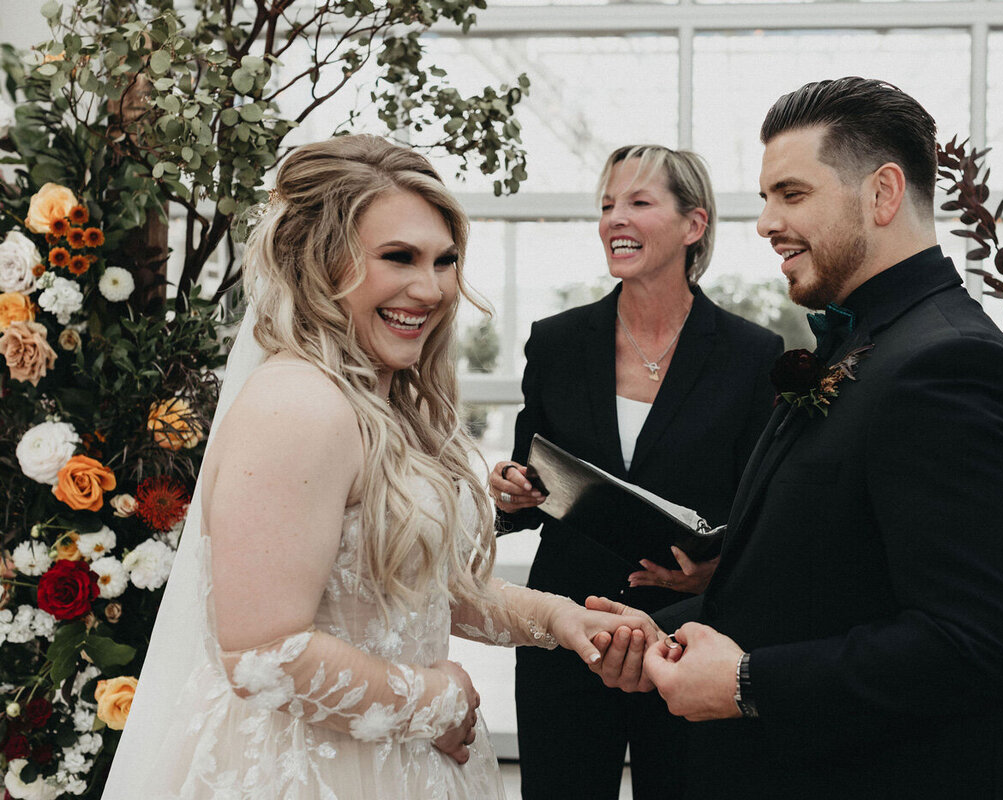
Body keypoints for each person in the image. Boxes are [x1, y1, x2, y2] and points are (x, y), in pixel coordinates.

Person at [101, 134, 661, 799]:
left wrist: (562, 621)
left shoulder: (375, 398)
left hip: (396, 759)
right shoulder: (299, 405)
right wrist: (438, 699)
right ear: (320, 264)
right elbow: (262, 654)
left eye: (445, 260)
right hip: (306, 772)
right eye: (399, 258)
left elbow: (413, 589)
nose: (430, 289)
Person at [589, 78, 1003, 798]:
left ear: (882, 194)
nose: (765, 222)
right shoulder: (866, 344)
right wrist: (666, 631)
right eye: (766, 197)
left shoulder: (950, 365)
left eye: (792, 194)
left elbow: (979, 647)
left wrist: (748, 684)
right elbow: (820, 585)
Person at [488, 144, 782, 799]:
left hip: (687, 640)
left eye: (638, 203)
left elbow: (763, 511)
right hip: (564, 630)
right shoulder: (557, 342)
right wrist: (513, 492)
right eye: (606, 206)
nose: (614, 219)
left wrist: (716, 568)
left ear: (693, 225)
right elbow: (533, 485)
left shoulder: (750, 354)